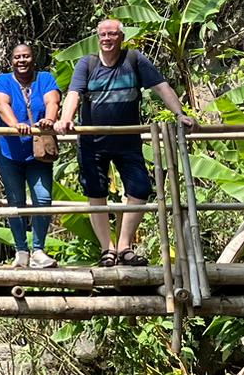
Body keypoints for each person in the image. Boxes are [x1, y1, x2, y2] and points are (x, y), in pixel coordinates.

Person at [54, 18, 196, 266]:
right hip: (92, 142)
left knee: (140, 189)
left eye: (112, 34)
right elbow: (74, 93)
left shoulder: (134, 60)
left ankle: (124, 246)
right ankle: (106, 249)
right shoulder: (87, 63)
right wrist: (66, 119)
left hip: (127, 141)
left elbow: (161, 87)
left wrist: (179, 114)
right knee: (95, 192)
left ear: (121, 37)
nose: (107, 39)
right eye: (103, 35)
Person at [0, 43, 62, 268]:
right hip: (9, 152)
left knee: (43, 198)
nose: (22, 60)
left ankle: (38, 250)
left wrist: (49, 119)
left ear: (33, 58)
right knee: (16, 201)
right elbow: (1, 104)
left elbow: (53, 101)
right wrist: (15, 124)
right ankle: (21, 250)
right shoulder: (3, 80)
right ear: (12, 60)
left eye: (26, 56)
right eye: (17, 57)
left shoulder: (45, 79)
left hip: (38, 153)